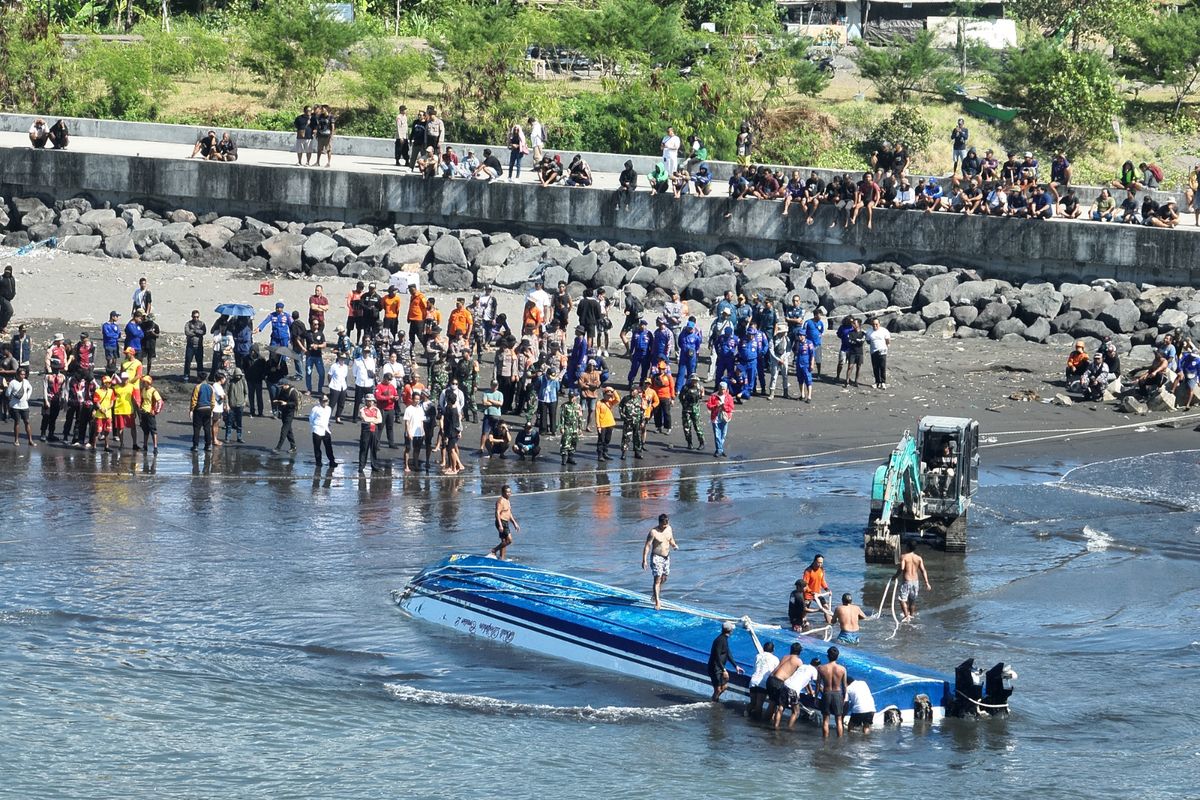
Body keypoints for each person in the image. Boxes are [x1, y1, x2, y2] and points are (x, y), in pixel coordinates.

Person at [767, 642, 815, 730]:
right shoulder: (798, 661)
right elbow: (802, 676)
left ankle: (767, 722)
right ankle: (774, 726)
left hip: (771, 679)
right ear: (800, 652)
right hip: (779, 682)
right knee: (779, 706)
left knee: (772, 703)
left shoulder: (785, 657)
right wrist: (810, 691)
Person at [641, 514, 678, 611]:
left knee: (664, 578)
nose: (665, 527)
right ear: (660, 523)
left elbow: (670, 539)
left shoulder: (669, 528)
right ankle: (657, 601)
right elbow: (647, 546)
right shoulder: (653, 532)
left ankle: (655, 593)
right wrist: (644, 560)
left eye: (666, 525)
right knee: (657, 579)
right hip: (656, 557)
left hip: (666, 557)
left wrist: (674, 545)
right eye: (663, 525)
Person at [707, 620, 743, 701]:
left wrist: (735, 666)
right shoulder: (720, 640)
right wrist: (723, 669)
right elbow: (717, 656)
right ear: (730, 630)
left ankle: (714, 700)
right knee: (718, 689)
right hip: (715, 668)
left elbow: (728, 654)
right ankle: (713, 703)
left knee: (724, 687)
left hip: (719, 667)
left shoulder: (724, 639)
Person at [895, 541, 931, 622]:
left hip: (906, 581)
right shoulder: (918, 558)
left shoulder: (904, 557)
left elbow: (902, 568)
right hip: (915, 582)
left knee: (902, 600)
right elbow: (923, 570)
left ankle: (907, 616)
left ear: (907, 547)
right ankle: (911, 616)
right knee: (912, 601)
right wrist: (927, 583)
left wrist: (895, 576)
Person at [816, 646, 847, 738]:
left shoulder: (821, 668)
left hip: (826, 693)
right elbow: (844, 686)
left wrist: (816, 697)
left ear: (827, 656)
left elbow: (818, 684)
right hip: (837, 694)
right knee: (839, 720)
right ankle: (839, 741)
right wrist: (844, 697)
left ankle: (825, 741)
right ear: (837, 656)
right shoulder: (842, 669)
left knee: (825, 720)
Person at [748, 641, 779, 721]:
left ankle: (746, 716)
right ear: (773, 650)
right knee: (759, 704)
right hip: (763, 683)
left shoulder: (758, 656)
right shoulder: (775, 659)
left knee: (752, 703)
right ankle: (756, 723)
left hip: (753, 680)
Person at [135, 374, 163, 453]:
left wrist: (156, 411)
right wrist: (140, 408)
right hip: (143, 412)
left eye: (144, 382)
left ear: (148, 382)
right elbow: (142, 400)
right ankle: (145, 446)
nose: (143, 383)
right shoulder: (143, 390)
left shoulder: (153, 391)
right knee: (145, 430)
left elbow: (160, 401)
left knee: (153, 430)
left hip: (150, 413)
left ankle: (155, 447)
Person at [7, 367, 35, 446]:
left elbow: (30, 388)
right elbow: (7, 393)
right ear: (17, 374)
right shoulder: (12, 383)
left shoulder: (26, 381)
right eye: (21, 374)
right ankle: (16, 440)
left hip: (25, 406)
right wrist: (12, 398)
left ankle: (30, 440)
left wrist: (28, 397)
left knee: (27, 422)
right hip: (15, 406)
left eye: (24, 374)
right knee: (17, 422)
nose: (23, 376)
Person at [491, 485, 520, 560]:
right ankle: (494, 550)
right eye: (507, 492)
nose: (509, 493)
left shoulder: (507, 501)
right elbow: (497, 513)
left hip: (505, 522)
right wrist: (500, 525)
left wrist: (515, 523)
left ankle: (502, 558)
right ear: (503, 493)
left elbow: (509, 513)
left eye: (510, 492)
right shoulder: (500, 501)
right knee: (509, 540)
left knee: (504, 541)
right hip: (501, 522)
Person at [706, 381, 733, 457]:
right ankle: (719, 450)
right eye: (721, 389)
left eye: (724, 389)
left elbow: (731, 407)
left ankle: (720, 449)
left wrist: (724, 407)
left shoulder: (729, 397)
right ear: (719, 388)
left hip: (725, 417)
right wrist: (716, 406)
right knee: (717, 434)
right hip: (716, 417)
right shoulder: (713, 396)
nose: (722, 390)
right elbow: (709, 405)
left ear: (726, 389)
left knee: (723, 434)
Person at [357, 394, 382, 473]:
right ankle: (361, 466)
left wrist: (370, 420)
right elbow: (364, 418)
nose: (370, 402)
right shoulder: (362, 409)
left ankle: (374, 465)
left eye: (371, 401)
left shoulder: (376, 410)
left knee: (374, 448)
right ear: (366, 401)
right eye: (368, 401)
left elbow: (380, 420)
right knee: (364, 448)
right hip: (366, 430)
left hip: (374, 430)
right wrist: (373, 419)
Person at [272, 380, 299, 453]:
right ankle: (293, 446)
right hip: (284, 412)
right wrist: (277, 401)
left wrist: (286, 403)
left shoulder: (293, 392)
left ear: (286, 384)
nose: (281, 388)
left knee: (284, 430)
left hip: (290, 414)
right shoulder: (282, 390)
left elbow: (295, 403)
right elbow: (280, 398)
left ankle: (278, 447)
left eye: (282, 386)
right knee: (288, 431)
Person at [190, 376, 215, 451]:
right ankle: (208, 445)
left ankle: (195, 446)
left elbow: (194, 399)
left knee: (197, 428)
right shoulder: (211, 387)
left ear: (199, 379)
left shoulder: (197, 387)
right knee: (207, 428)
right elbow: (213, 400)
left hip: (199, 409)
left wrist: (191, 409)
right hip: (208, 409)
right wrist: (212, 409)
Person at [0, 264, 15, 334]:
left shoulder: (12, 278)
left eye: (8, 272)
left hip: (9, 298)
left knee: (3, 312)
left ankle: (1, 326)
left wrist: (13, 293)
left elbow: (13, 287)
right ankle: (3, 325)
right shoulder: (1, 279)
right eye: (6, 272)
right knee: (10, 311)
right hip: (2, 298)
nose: (7, 273)